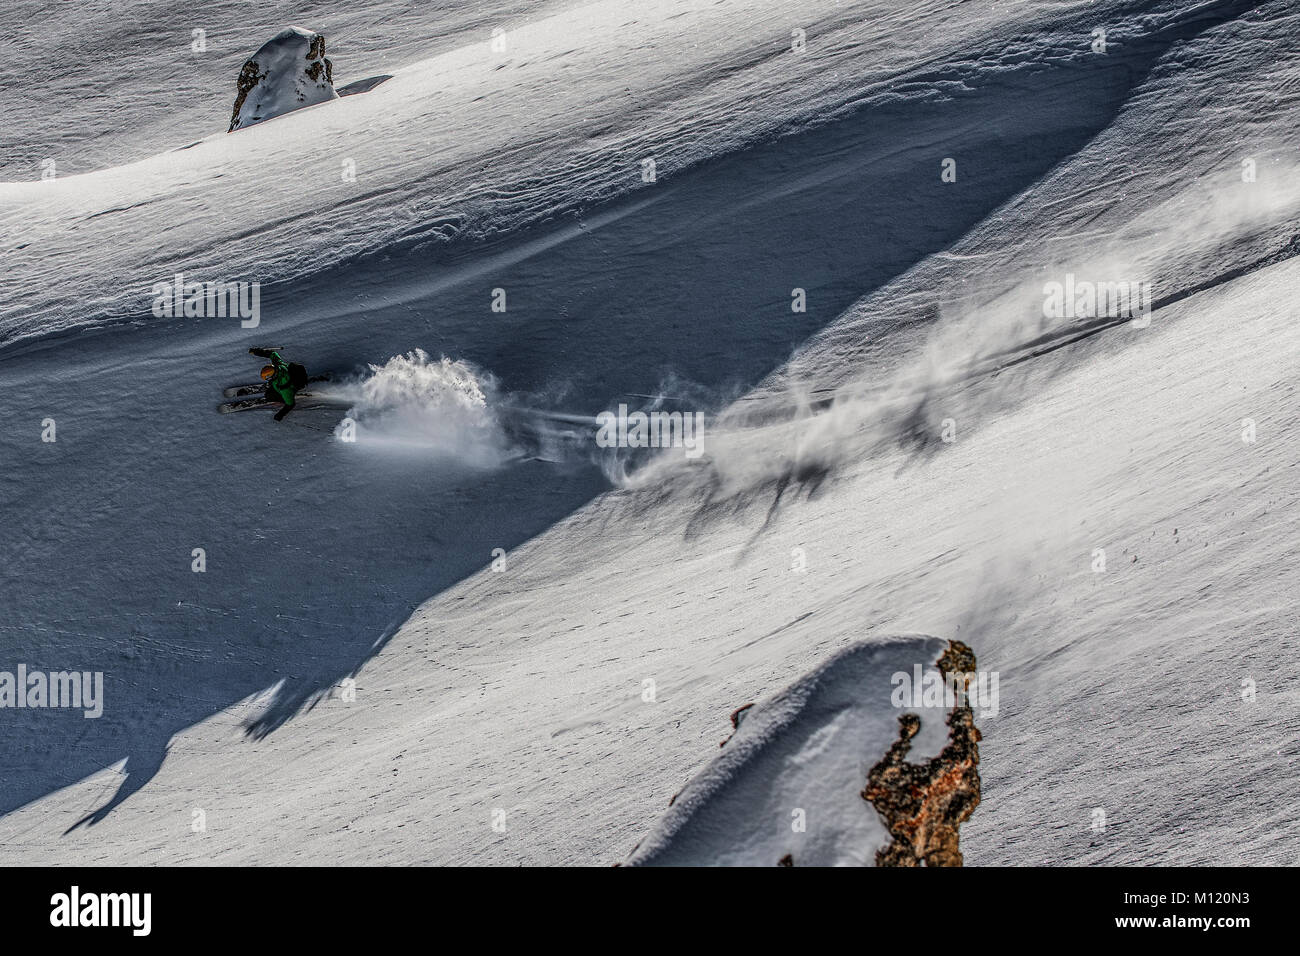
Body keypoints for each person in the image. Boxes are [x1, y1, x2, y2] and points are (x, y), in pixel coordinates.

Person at [248, 348, 309, 421]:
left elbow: (290, 404)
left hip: (288, 388)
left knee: (270, 396)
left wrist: (281, 414)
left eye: (268, 377)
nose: (268, 379)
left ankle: (281, 398)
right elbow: (273, 354)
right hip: (282, 381)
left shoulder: (284, 389)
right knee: (271, 387)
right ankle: (273, 390)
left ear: (274, 375)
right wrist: (257, 352)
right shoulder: (278, 365)